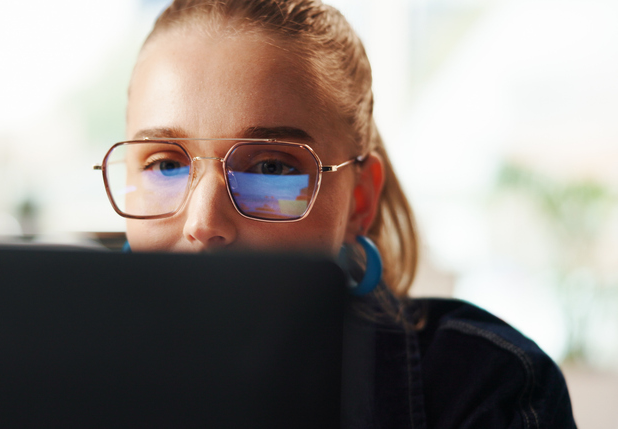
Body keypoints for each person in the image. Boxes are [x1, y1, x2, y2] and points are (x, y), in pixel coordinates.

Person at [95, 0, 577, 427]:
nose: (204, 223)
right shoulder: (58, 361)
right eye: (165, 165)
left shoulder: (489, 389)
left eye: (270, 167)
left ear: (359, 201)